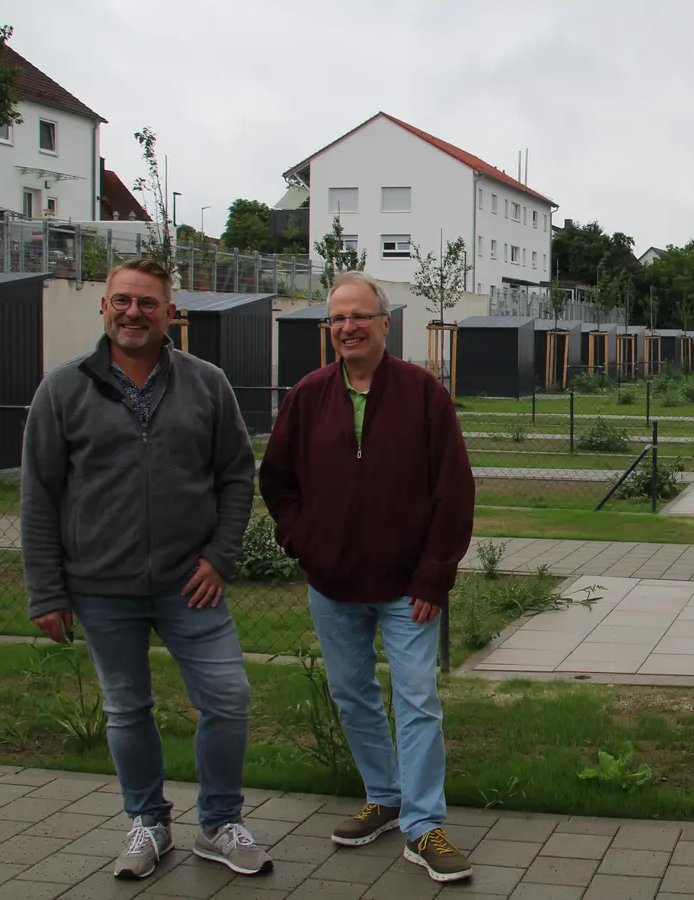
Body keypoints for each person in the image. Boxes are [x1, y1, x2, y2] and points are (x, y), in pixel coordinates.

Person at [20, 258, 273, 881]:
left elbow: (238, 475)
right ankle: (148, 823)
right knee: (127, 709)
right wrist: (46, 592)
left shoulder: (208, 384)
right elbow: (39, 496)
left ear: (170, 313)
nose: (135, 312)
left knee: (229, 699)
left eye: (149, 303)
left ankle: (217, 823)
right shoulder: (63, 389)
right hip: (100, 589)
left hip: (192, 585)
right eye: (123, 301)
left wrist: (219, 557)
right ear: (104, 307)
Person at [258, 270, 477, 884]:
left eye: (359, 317)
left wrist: (434, 576)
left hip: (410, 590)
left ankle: (424, 825)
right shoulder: (307, 395)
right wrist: (305, 542)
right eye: (337, 319)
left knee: (417, 700)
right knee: (352, 696)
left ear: (385, 322)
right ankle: (384, 797)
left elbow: (454, 491)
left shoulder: (422, 393)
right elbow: (277, 481)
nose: (348, 328)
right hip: (332, 585)